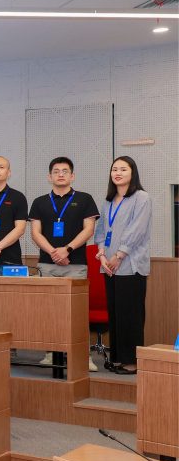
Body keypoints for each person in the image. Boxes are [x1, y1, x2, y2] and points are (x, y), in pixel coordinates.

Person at [29, 157, 101, 371]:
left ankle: (82, 356)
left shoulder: (85, 199)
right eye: (56, 171)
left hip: (76, 264)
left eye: (65, 171)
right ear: (49, 176)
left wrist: (67, 249)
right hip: (47, 264)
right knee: (49, 312)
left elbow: (89, 229)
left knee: (77, 313)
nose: (60, 174)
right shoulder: (39, 202)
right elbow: (35, 233)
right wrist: (54, 252)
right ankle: (51, 353)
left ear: (72, 176)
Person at [93, 156, 152, 376]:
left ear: (132, 172)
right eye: (114, 169)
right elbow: (101, 231)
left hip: (130, 264)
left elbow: (137, 230)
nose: (117, 173)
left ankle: (132, 362)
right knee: (116, 314)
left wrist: (119, 255)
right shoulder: (108, 201)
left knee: (130, 315)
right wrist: (101, 255)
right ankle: (118, 358)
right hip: (109, 266)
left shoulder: (141, 198)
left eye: (123, 169)